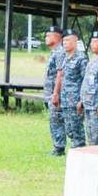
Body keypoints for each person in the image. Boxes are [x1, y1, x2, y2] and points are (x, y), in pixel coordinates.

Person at [54, 30, 87, 149]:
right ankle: (75, 149)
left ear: (75, 41)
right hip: (66, 100)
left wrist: (81, 100)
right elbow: (62, 77)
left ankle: (79, 151)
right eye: (64, 41)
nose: (65, 43)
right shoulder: (65, 58)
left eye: (68, 40)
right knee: (69, 129)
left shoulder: (81, 58)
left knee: (77, 128)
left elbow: (85, 80)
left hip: (75, 100)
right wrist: (57, 94)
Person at [42, 25, 66, 156]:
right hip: (50, 93)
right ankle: (57, 146)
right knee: (53, 119)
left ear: (58, 37)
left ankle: (59, 148)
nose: (46, 38)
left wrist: (56, 93)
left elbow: (60, 74)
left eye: (49, 35)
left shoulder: (60, 52)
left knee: (56, 119)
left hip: (56, 94)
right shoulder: (54, 52)